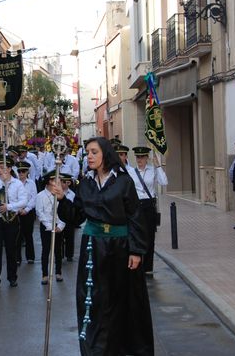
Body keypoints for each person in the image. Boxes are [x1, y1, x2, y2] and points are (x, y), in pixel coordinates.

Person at [58, 137, 153, 355]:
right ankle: (97, 349)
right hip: (93, 248)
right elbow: (77, 216)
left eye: (94, 152)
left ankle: (125, 349)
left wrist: (136, 250)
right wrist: (63, 199)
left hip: (121, 248)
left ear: (105, 154)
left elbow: (135, 217)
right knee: (96, 300)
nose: (89, 156)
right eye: (87, 152)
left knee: (123, 300)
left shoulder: (123, 181)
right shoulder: (86, 183)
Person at [0, 156, 27, 291]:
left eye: (3, 168)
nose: (0, 171)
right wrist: (0, 182)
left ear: (9, 169)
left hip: (11, 219)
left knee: (11, 250)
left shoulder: (17, 184)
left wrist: (9, 207)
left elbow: (23, 201)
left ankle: (12, 277)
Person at [127, 146, 168, 274]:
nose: (139, 159)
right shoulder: (131, 172)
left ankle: (148, 267)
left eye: (142, 157)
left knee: (149, 236)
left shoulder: (152, 170)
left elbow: (164, 182)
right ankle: (137, 264)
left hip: (149, 205)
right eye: (137, 157)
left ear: (147, 158)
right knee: (137, 234)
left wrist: (158, 166)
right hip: (136, 205)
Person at [35, 171, 66, 285]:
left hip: (58, 227)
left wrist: (61, 225)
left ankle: (58, 272)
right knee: (46, 250)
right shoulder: (41, 196)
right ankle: (44, 274)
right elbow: (39, 212)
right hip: (46, 227)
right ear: (49, 182)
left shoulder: (60, 195)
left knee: (58, 250)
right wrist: (49, 226)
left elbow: (64, 212)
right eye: (55, 181)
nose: (58, 183)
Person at [15, 161, 37, 265]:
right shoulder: (14, 183)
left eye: (23, 171)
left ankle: (30, 257)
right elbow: (12, 198)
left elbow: (33, 198)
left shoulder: (31, 183)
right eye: (19, 171)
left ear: (27, 172)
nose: (21, 173)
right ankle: (17, 258)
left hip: (28, 212)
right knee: (17, 236)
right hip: (17, 212)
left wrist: (26, 209)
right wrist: (18, 209)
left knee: (28, 235)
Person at [60, 173, 77, 262]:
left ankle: (69, 255)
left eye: (63, 182)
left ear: (68, 183)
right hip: (60, 218)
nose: (61, 183)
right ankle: (60, 254)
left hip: (69, 219)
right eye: (61, 181)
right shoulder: (57, 193)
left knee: (69, 237)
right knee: (60, 238)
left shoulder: (72, 194)